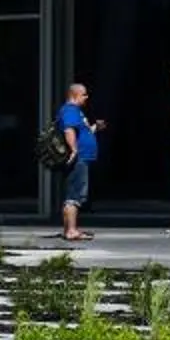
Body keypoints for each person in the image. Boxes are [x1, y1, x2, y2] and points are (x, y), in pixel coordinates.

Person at [55, 80, 104, 243]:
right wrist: (74, 150)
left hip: (82, 157)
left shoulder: (76, 111)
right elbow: (69, 130)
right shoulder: (70, 110)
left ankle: (69, 229)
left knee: (73, 193)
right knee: (74, 195)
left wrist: (95, 128)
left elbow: (82, 131)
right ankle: (71, 231)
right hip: (79, 158)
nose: (87, 97)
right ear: (74, 95)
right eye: (84, 94)